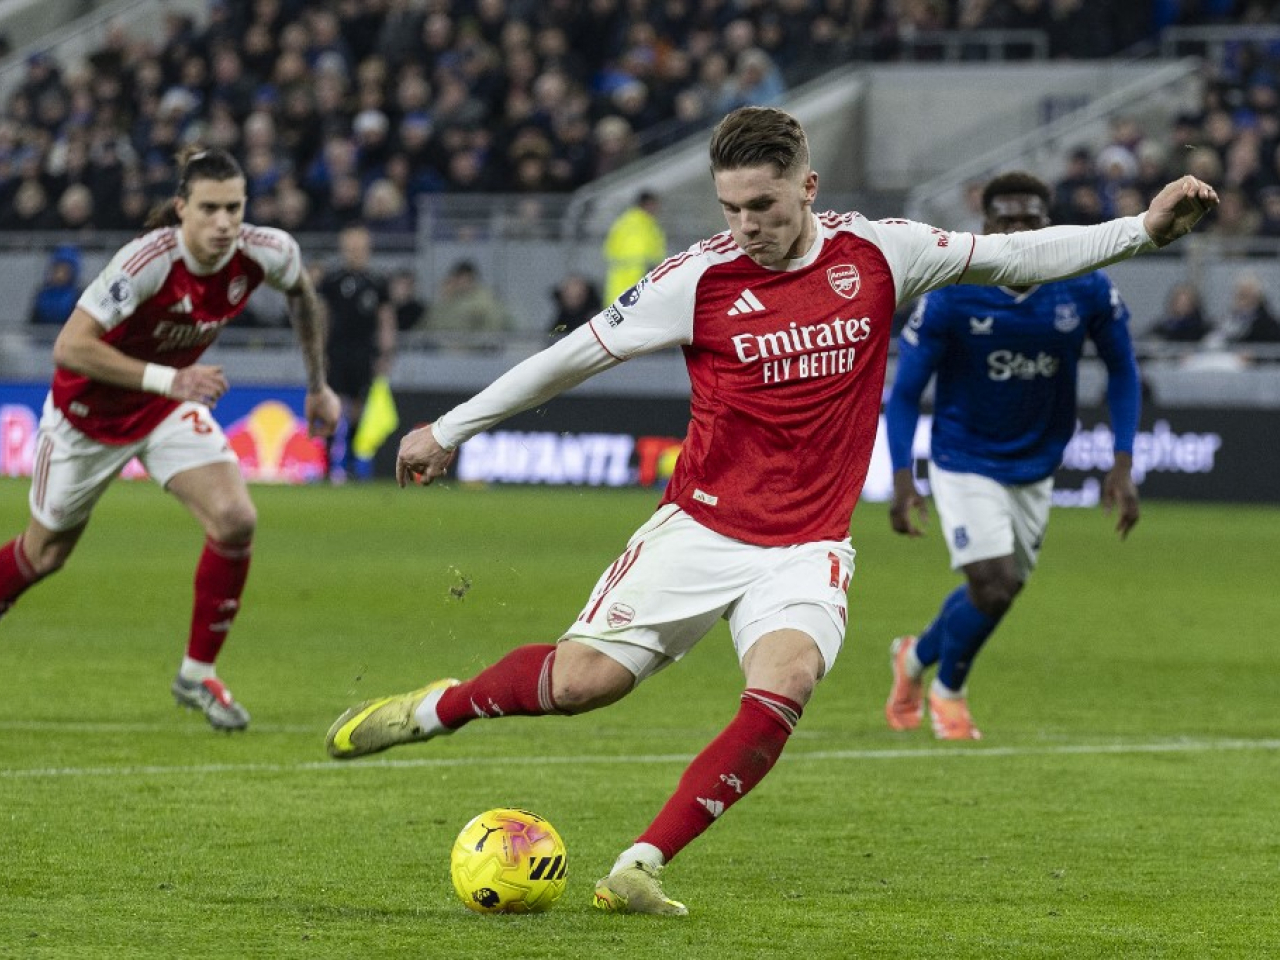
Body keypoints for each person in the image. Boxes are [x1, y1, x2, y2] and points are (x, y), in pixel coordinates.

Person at [324, 108, 1216, 915]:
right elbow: (572, 358)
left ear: (808, 188)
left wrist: (1140, 231)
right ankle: (440, 708)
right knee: (582, 685)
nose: (746, 224)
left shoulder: (881, 252)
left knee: (786, 680)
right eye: (731, 207)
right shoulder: (697, 280)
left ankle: (640, 864)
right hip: (702, 526)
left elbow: (1015, 255)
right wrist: (450, 427)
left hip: (809, 543)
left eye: (764, 204)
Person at [0, 146, 340, 731]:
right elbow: (70, 347)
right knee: (45, 553)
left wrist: (318, 386)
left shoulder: (268, 251)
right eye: (209, 208)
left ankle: (196, 674)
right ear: (182, 208)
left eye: (234, 208)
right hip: (87, 418)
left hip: (162, 411)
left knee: (236, 518)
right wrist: (172, 377)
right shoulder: (148, 261)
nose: (224, 223)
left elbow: (304, 301)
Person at [882, 171, 1144, 742]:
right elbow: (903, 393)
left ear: (1049, 225)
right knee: (995, 584)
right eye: (1007, 219)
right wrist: (903, 477)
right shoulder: (951, 291)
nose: (1020, 230)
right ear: (987, 225)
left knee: (998, 589)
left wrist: (1122, 462)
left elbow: (1124, 369)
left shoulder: (1085, 287)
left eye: (1031, 218)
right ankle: (949, 692)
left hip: (1038, 462)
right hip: (963, 456)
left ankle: (914, 656)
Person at [318, 224, 396, 482]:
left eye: (359, 248)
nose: (355, 253)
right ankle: (329, 461)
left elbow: (385, 319)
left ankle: (351, 459)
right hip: (337, 350)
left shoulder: (377, 282)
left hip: (364, 352)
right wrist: (319, 351)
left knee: (358, 406)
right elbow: (322, 316)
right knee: (333, 403)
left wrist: (385, 353)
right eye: (350, 248)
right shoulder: (332, 280)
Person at [601, 189, 666, 306]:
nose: (657, 209)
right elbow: (645, 254)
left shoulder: (624, 222)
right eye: (654, 205)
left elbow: (608, 250)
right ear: (647, 204)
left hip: (620, 283)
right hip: (635, 282)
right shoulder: (643, 225)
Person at [423, 260, 511, 346]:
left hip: (477, 351)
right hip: (446, 350)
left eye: (465, 279)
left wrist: (478, 345)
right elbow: (430, 326)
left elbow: (493, 326)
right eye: (458, 279)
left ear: (472, 279)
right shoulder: (450, 298)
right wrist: (445, 299)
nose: (461, 283)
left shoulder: (484, 298)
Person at [28, 244, 84, 327]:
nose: (59, 274)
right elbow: (32, 323)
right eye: (57, 269)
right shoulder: (42, 294)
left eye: (64, 270)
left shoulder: (77, 296)